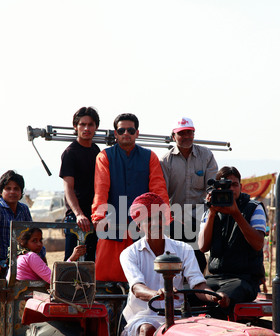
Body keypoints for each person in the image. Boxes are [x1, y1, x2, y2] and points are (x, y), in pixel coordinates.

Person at [119, 192, 229, 336]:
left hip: (178, 318)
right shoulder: (129, 254)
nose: (155, 224)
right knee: (148, 329)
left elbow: (198, 285)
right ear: (139, 224)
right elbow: (137, 288)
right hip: (144, 315)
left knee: (206, 333)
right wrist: (156, 293)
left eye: (159, 218)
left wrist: (214, 296)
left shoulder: (183, 250)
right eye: (148, 220)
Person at [91, 113, 169, 282]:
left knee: (145, 275)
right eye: (122, 130)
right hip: (113, 223)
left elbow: (158, 190)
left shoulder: (150, 156)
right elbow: (101, 189)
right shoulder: (104, 156)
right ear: (115, 133)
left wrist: (165, 217)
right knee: (106, 276)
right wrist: (99, 217)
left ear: (137, 133)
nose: (126, 133)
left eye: (130, 130)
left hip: (143, 225)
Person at [198, 166, 267, 317]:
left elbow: (258, 244)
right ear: (215, 189)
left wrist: (236, 214)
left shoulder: (254, 208)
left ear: (241, 187)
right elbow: (203, 247)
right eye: (225, 186)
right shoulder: (210, 210)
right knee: (188, 293)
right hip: (214, 278)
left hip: (244, 279)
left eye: (234, 185)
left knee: (220, 299)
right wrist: (212, 213)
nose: (230, 189)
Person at [159, 117, 218, 273]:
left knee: (198, 261)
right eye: (181, 133)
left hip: (200, 217)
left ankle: (197, 291)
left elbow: (212, 187)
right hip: (175, 219)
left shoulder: (206, 156)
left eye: (189, 132)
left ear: (194, 134)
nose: (186, 136)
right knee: (176, 261)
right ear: (173, 136)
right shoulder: (165, 161)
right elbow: (162, 192)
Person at [59, 106, 100, 262]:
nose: (86, 128)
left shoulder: (97, 151)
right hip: (76, 219)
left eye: (90, 124)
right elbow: (68, 188)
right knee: (71, 265)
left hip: (95, 217)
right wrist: (78, 214)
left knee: (92, 264)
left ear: (96, 127)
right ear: (75, 127)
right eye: (82, 124)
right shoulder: (70, 153)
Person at [13, 227, 86, 283]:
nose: (39, 244)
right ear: (25, 243)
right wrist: (72, 258)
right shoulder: (31, 256)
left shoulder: (21, 256)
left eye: (40, 240)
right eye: (34, 241)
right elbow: (54, 279)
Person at [0, 170, 32, 278]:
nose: (12, 192)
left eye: (16, 189)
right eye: (8, 188)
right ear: (1, 191)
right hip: (2, 262)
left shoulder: (24, 209)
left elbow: (32, 234)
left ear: (21, 192)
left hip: (21, 262)